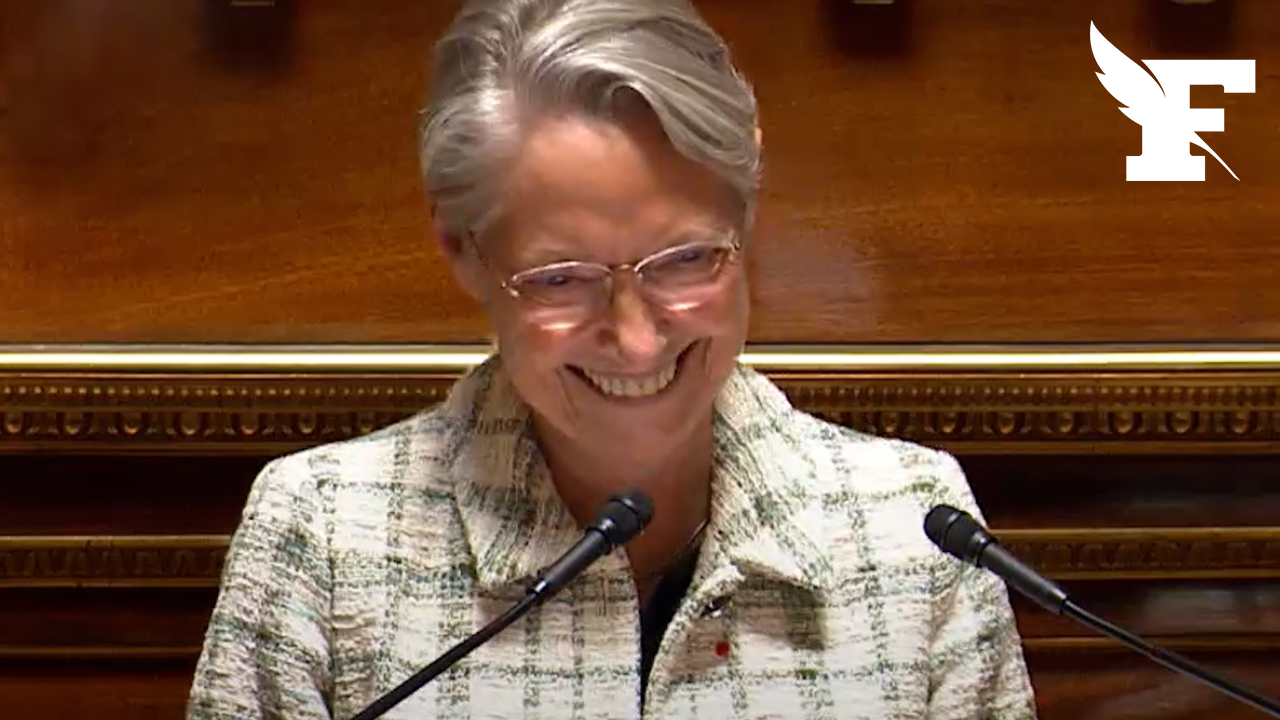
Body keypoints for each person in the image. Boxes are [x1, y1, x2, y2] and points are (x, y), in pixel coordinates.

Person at [186, 0, 1039, 718]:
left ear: (747, 213)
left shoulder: (915, 530)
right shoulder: (324, 534)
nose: (637, 339)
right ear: (461, 249)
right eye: (562, 278)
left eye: (685, 260)